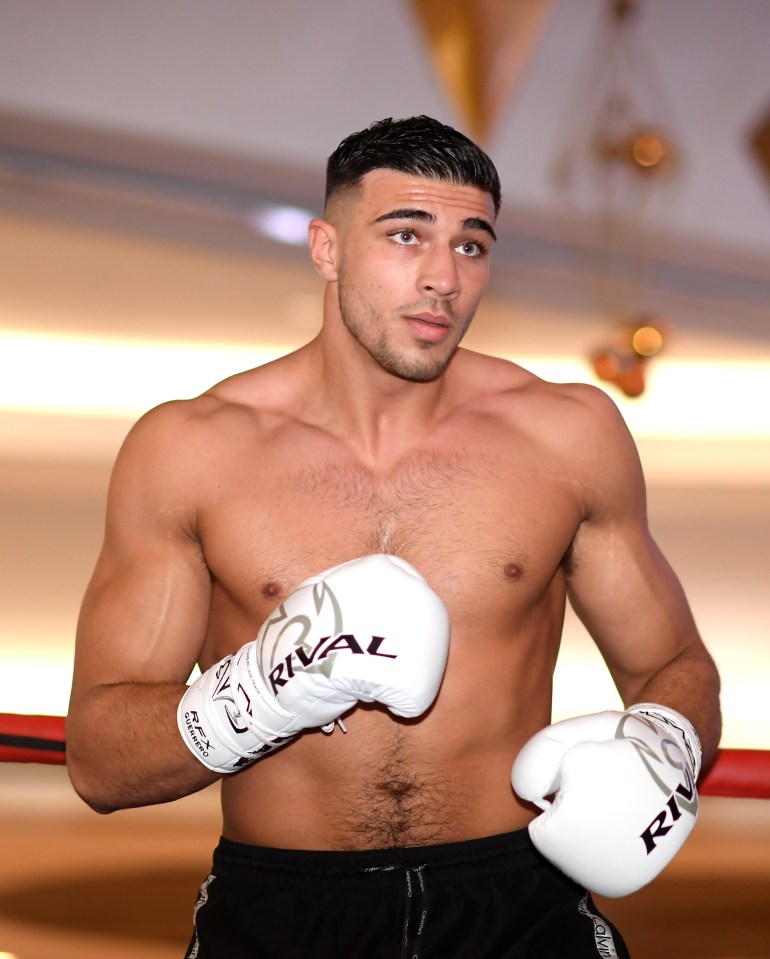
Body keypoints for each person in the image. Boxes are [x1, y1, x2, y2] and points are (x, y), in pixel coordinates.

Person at [66, 115, 722, 958]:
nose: (443, 277)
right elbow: (99, 761)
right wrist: (257, 696)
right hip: (284, 910)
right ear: (326, 248)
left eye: (472, 246)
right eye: (406, 235)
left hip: (516, 905)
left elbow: (678, 665)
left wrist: (665, 740)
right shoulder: (190, 452)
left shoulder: (569, 437)